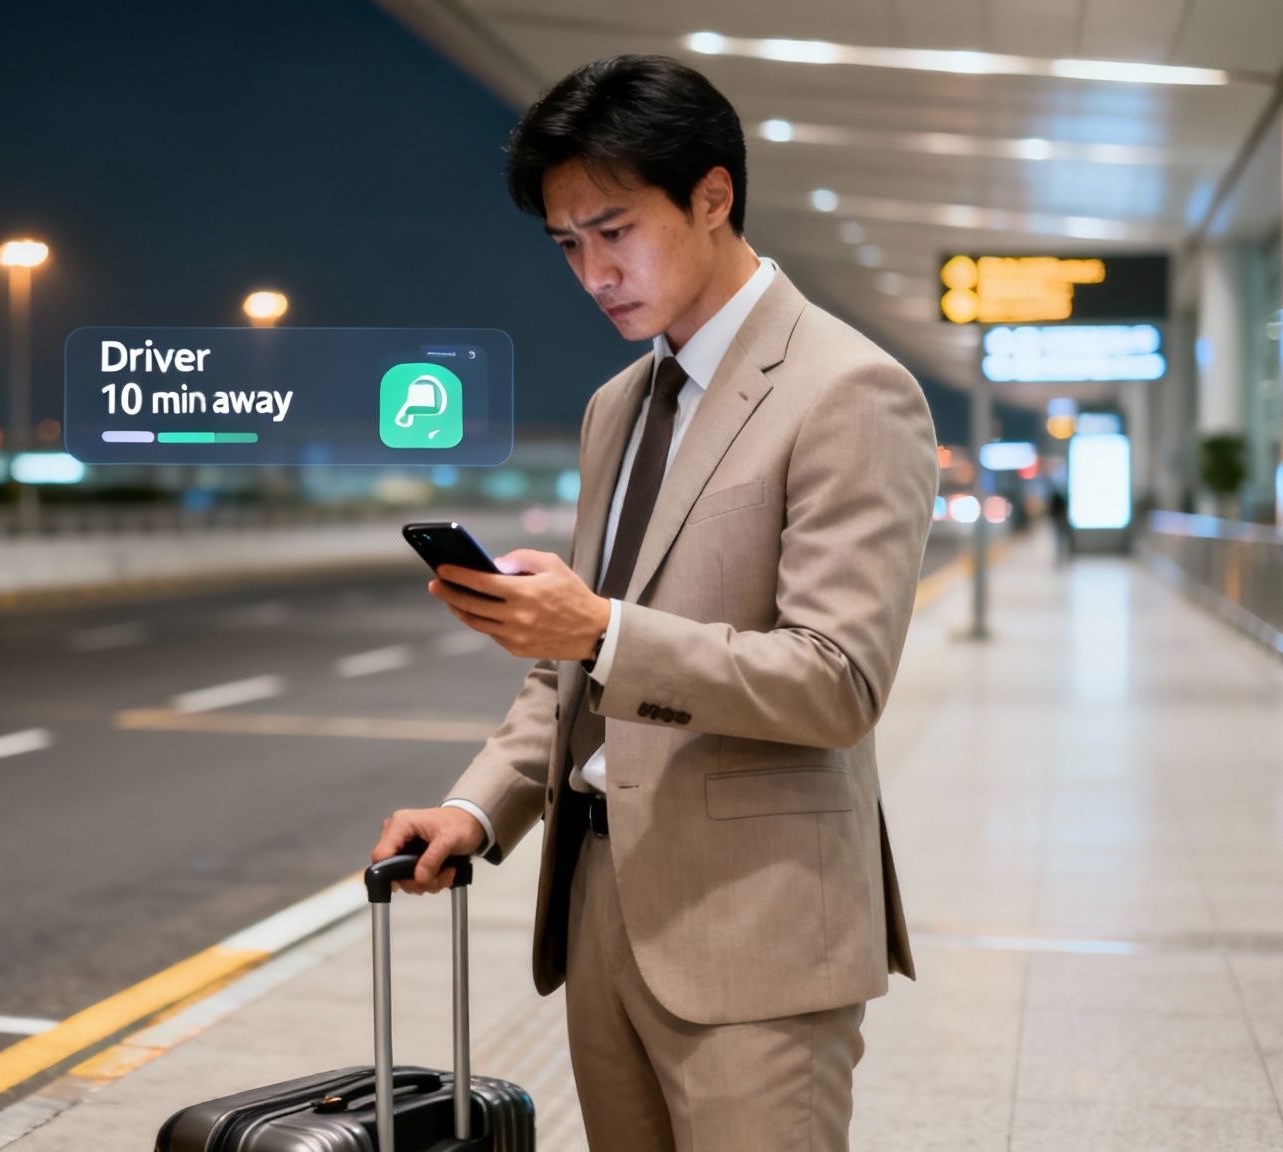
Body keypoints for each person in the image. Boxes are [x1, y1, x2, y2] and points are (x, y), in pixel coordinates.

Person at [371, 54, 937, 1151]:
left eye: (615, 230)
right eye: (567, 243)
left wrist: (599, 628)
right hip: (597, 907)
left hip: (757, 930)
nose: (592, 272)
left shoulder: (849, 388)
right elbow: (569, 680)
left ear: (712, 197)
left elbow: (837, 682)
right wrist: (478, 810)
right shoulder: (617, 406)